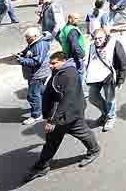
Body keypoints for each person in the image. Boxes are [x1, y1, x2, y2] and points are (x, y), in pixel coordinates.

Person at [25, 52, 101, 182]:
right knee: (51, 142)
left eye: (54, 63)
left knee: (82, 133)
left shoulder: (70, 74)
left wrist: (53, 120)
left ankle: (94, 150)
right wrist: (47, 114)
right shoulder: (58, 71)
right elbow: (50, 91)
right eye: (50, 63)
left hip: (70, 114)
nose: (51, 66)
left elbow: (67, 99)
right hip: (57, 115)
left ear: (63, 61)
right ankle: (42, 166)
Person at [85, 27, 126, 132]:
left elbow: (123, 62)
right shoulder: (92, 46)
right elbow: (91, 61)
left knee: (110, 99)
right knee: (92, 98)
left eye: (100, 38)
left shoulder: (114, 44)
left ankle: (110, 117)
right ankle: (106, 113)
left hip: (108, 77)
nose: (97, 41)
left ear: (105, 37)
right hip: (95, 77)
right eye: (95, 39)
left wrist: (121, 79)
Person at [17, 27, 52, 125]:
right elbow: (28, 50)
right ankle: (44, 109)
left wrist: (22, 60)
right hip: (35, 74)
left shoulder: (41, 45)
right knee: (40, 93)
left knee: (32, 95)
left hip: (38, 74)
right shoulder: (34, 43)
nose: (26, 40)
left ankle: (36, 115)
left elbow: (37, 62)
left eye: (28, 38)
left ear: (35, 36)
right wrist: (22, 53)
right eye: (26, 38)